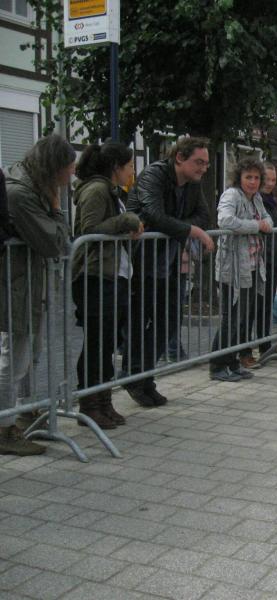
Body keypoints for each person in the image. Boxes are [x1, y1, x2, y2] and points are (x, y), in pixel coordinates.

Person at [123, 136, 215, 407]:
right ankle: (134, 377)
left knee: (170, 320)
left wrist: (178, 226)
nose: (203, 168)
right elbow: (154, 214)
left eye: (206, 163)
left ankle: (144, 376)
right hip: (143, 261)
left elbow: (203, 216)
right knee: (140, 322)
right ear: (179, 158)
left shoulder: (192, 184)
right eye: (199, 162)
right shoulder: (154, 175)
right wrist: (191, 230)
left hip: (171, 262)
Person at [0, 135, 74, 455]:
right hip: (15, 285)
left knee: (27, 355)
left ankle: (22, 413)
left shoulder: (31, 187)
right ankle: (4, 428)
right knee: (13, 359)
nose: (71, 175)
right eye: (68, 168)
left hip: (27, 284)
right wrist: (57, 209)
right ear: (53, 167)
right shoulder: (20, 194)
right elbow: (54, 243)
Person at [71, 141, 144, 429]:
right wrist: (125, 221)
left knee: (107, 342)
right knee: (97, 342)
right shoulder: (97, 190)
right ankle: (90, 403)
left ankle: (103, 401)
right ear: (116, 167)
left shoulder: (110, 190)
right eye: (129, 166)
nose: (132, 171)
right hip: (95, 276)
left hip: (112, 275)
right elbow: (88, 230)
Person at [209, 157, 273, 382]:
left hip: (252, 266)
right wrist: (256, 226)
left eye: (256, 178)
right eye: (248, 177)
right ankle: (217, 364)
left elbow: (268, 219)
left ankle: (232, 361)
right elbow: (225, 220)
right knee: (231, 318)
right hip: (232, 268)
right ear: (239, 178)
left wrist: (266, 224)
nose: (253, 182)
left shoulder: (256, 198)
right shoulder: (231, 195)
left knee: (242, 319)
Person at [240, 161, 277, 369]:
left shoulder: (271, 202)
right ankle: (245, 350)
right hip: (256, 260)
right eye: (266, 179)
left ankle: (265, 344)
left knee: (266, 305)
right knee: (250, 307)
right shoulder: (254, 201)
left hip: (271, 260)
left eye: (273, 180)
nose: (270, 183)